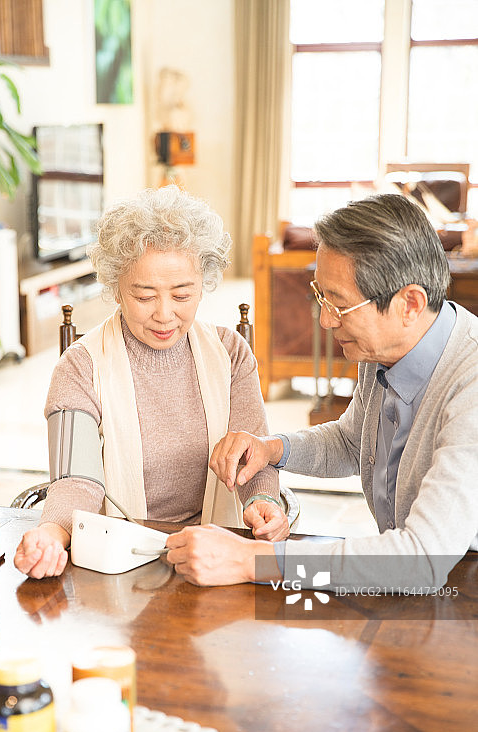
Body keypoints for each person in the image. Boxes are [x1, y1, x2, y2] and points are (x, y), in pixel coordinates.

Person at [166, 193, 478, 589]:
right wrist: (271, 448)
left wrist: (252, 560)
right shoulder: (383, 349)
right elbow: (354, 442)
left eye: (340, 305)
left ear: (410, 304)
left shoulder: (471, 384)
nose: (327, 321)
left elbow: (421, 558)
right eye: (322, 297)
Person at [14, 185, 286, 579]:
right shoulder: (79, 366)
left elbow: (252, 457)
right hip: (119, 558)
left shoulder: (231, 353)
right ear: (116, 289)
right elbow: (76, 480)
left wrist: (262, 500)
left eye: (182, 294)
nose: (164, 315)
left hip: (214, 555)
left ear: (204, 283)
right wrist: (50, 535)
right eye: (144, 296)